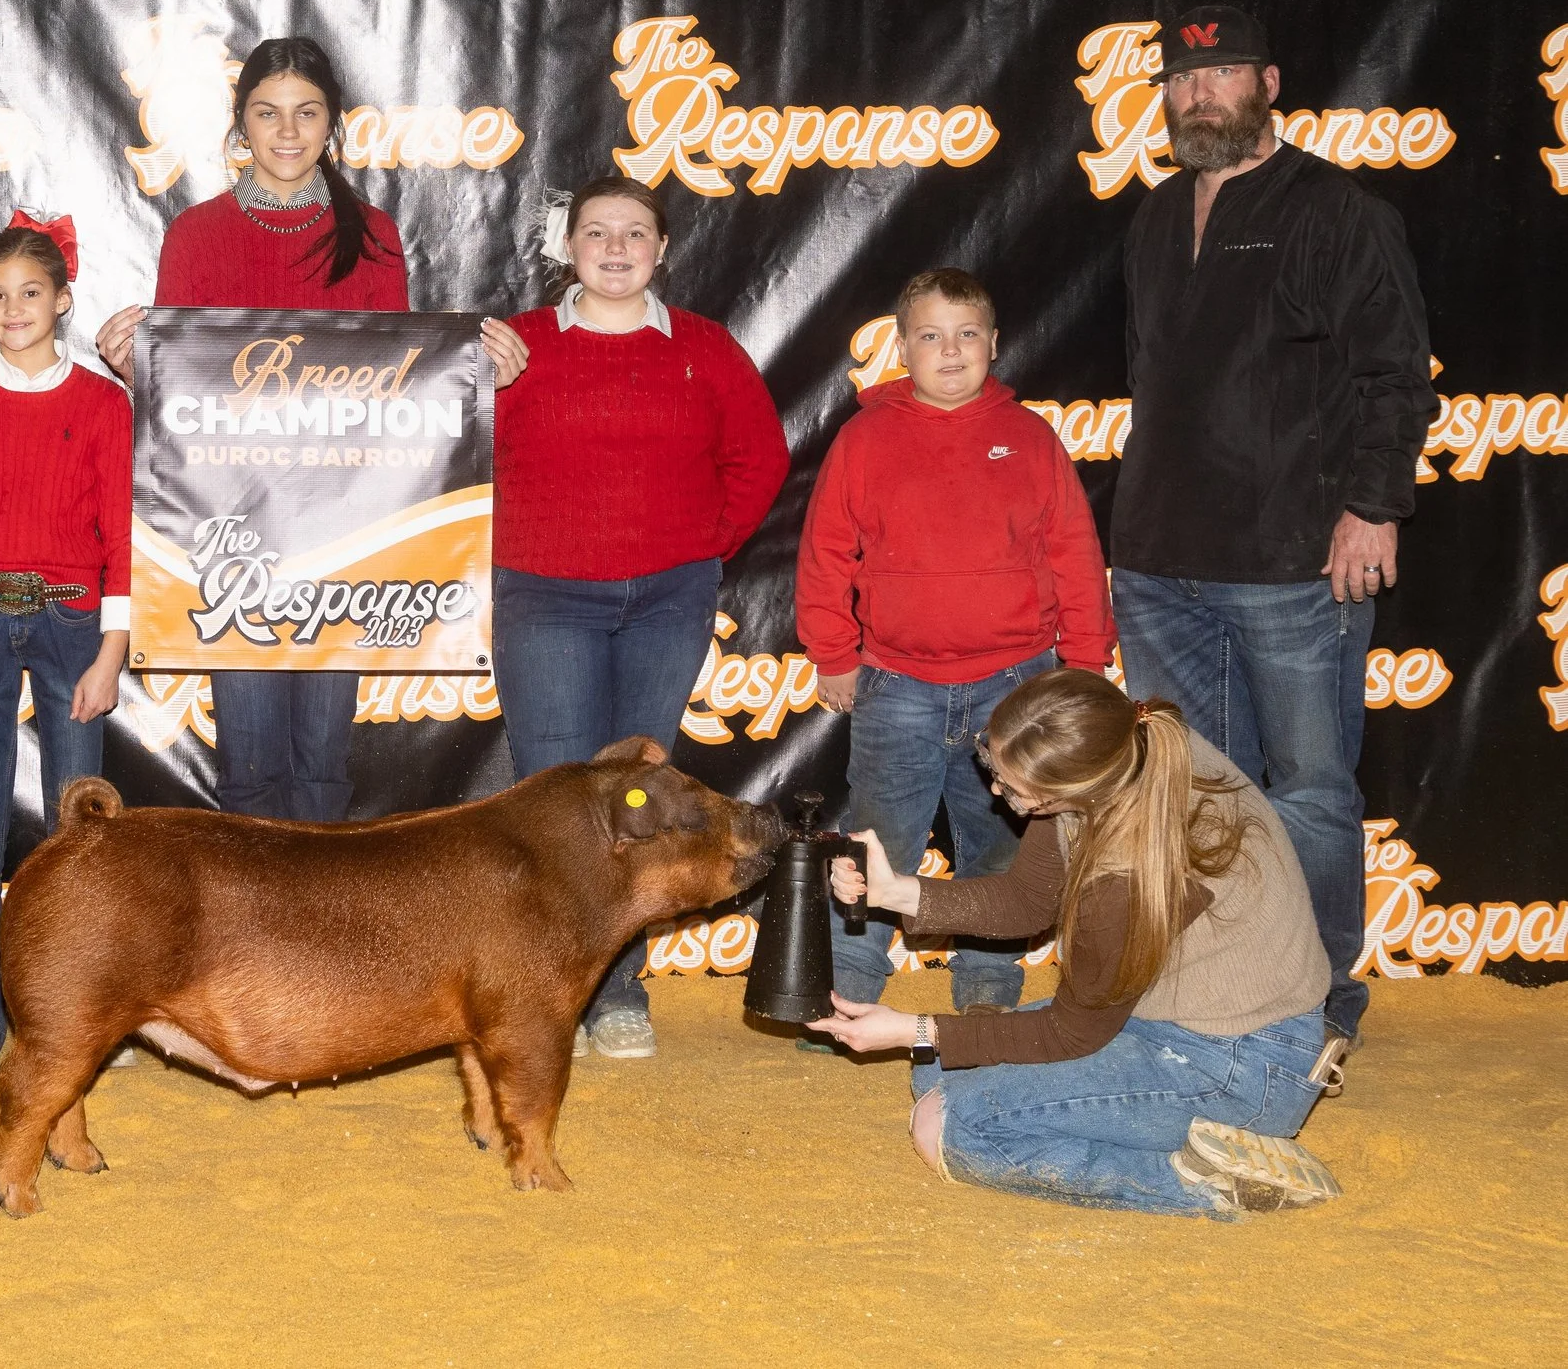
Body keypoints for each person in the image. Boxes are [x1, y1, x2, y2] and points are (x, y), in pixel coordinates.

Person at [1112, 5, 1434, 1060]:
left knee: (1304, 788)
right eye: (1182, 79)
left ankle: (1324, 997)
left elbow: (1394, 373)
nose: (1199, 94)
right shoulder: (1156, 216)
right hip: (1158, 560)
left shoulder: (1336, 211)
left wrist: (1372, 504)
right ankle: (1222, 984)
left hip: (1293, 561)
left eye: (1221, 75)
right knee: (1200, 790)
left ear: (1269, 82)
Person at [811, 669, 1344, 1219]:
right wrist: (897, 891)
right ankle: (1176, 1134)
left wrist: (910, 1028)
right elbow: (1027, 900)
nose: (995, 791)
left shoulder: (1125, 879)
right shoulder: (1122, 748)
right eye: (993, 766)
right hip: (1168, 1020)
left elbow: (1069, 1033)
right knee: (936, 1070)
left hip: (1240, 1064)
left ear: (1070, 790)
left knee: (950, 1125)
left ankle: (1201, 1183)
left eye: (1013, 791)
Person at [477, 174, 788, 1059]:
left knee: (640, 792)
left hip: (667, 599)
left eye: (636, 234)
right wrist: (475, 377)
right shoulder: (515, 347)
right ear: (567, 247)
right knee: (555, 800)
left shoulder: (705, 347)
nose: (616, 249)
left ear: (664, 250)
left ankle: (619, 989)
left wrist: (699, 547)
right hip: (544, 594)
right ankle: (547, 992)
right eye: (597, 233)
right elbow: (452, 452)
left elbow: (759, 456)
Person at [95, 36, 411, 824]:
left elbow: (401, 389)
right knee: (251, 768)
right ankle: (252, 949)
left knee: (324, 769)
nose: (288, 131)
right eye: (268, 114)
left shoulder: (373, 236)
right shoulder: (197, 235)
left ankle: (317, 946)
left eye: (307, 113)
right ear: (242, 126)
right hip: (230, 536)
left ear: (333, 123)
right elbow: (179, 399)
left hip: (344, 535)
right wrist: (135, 364)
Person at [794, 268, 1112, 1029]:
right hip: (895, 685)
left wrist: (1088, 663)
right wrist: (833, 651)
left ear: (994, 344)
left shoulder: (1030, 439)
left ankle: (986, 994)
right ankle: (849, 992)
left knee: (999, 851)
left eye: (968, 334)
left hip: (1015, 686)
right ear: (902, 347)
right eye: (930, 336)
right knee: (876, 849)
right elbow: (826, 551)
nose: (950, 351)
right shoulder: (864, 438)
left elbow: (1074, 550)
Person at [0, 223, 132, 1076]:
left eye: (31, 293)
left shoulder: (104, 405)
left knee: (82, 829)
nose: (14, 309)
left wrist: (111, 649)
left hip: (75, 622)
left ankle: (83, 1012)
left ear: (63, 299)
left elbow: (118, 531)